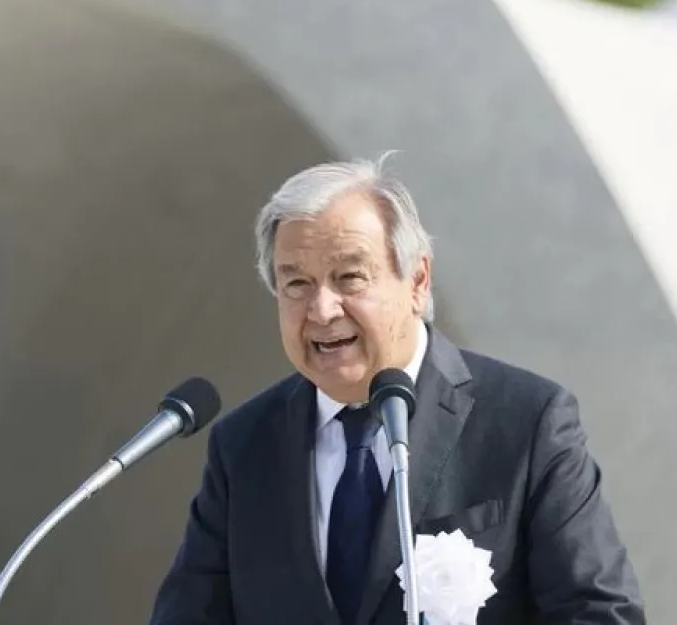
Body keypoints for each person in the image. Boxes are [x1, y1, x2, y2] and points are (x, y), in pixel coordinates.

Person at [148, 158, 645, 625]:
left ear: (417, 281)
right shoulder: (244, 445)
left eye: (349, 278)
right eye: (296, 283)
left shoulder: (527, 422)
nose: (322, 310)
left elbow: (599, 614)